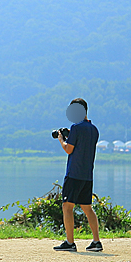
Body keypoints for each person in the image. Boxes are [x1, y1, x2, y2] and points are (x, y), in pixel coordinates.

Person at [54, 98, 103, 252]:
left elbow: (69, 149)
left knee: (67, 207)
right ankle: (96, 241)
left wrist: (62, 139)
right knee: (87, 207)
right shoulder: (94, 129)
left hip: (74, 173)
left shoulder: (76, 127)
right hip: (87, 174)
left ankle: (70, 242)